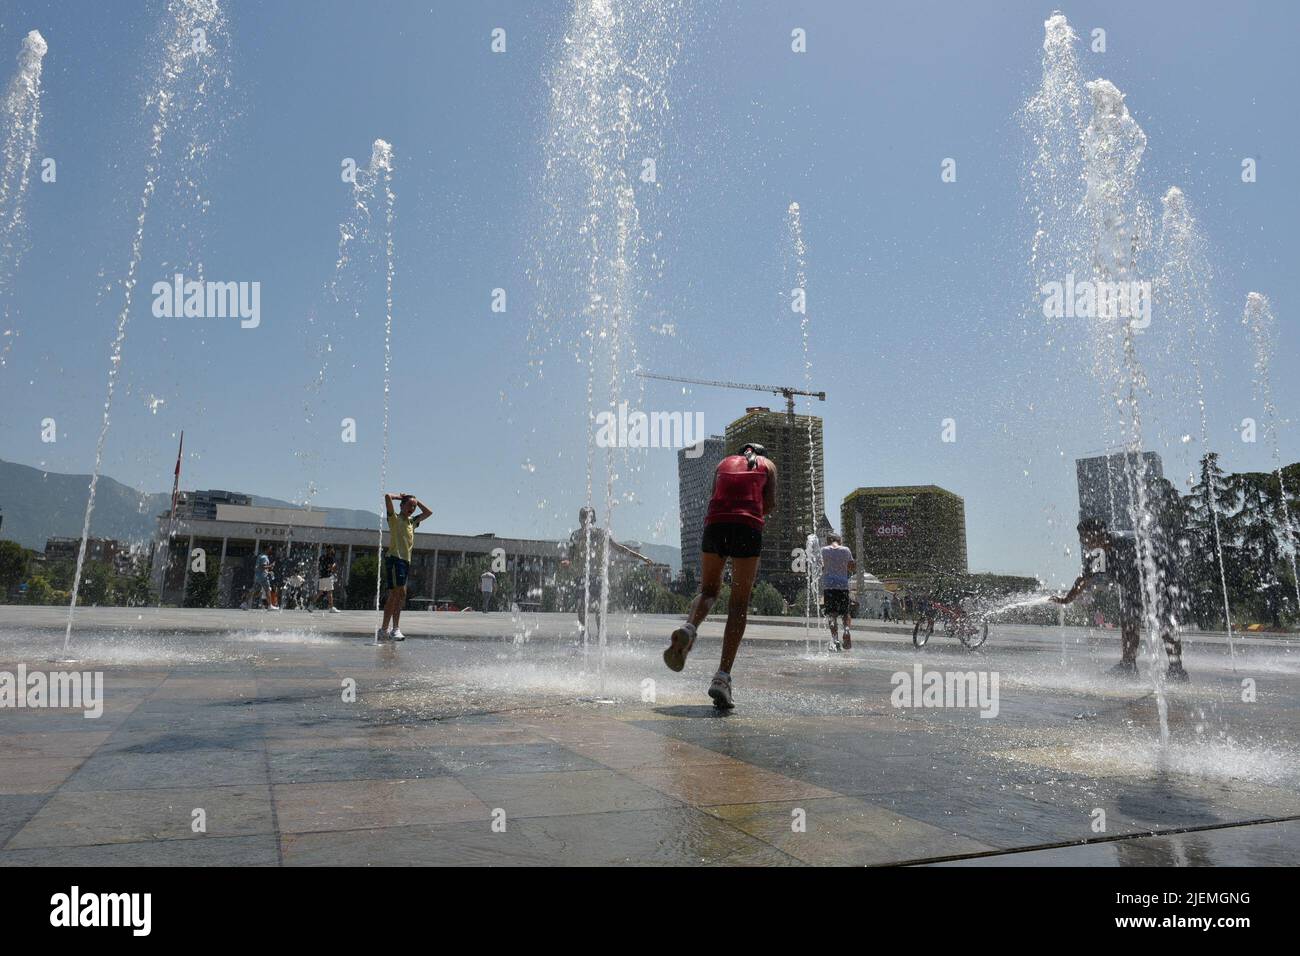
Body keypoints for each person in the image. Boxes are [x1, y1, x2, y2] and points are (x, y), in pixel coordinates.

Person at [664, 443, 777, 710]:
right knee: (738, 602)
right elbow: (769, 504)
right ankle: (722, 678)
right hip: (747, 526)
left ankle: (689, 628)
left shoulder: (722, 463)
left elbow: (713, 494)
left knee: (709, 590)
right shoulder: (768, 465)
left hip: (715, 524)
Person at [1051, 517, 1189, 682]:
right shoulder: (1098, 554)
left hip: (1159, 582)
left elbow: (1158, 562)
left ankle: (1176, 668)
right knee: (1128, 620)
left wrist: (1158, 589)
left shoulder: (1127, 542)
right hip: (1133, 587)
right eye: (1081, 537)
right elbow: (1084, 579)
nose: (1082, 541)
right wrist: (1067, 599)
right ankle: (1128, 665)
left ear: (1098, 534)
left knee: (1164, 623)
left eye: (1085, 536)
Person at [379, 492, 432, 641]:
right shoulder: (394, 518)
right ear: (401, 506)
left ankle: (386, 629)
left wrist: (416, 500)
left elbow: (429, 512)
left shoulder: (413, 522)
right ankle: (392, 629)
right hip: (395, 559)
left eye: (414, 507)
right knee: (398, 593)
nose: (412, 508)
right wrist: (400, 497)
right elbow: (387, 496)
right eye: (409, 505)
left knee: (398, 594)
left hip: (405, 561)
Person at [821, 532, 857, 649]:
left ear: (828, 541)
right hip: (843, 586)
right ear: (839, 540)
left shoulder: (824, 550)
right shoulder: (846, 550)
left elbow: (820, 567)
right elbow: (852, 566)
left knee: (832, 615)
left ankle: (835, 639)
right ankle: (846, 630)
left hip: (829, 586)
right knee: (846, 613)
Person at [315, 546, 340, 613]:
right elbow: (331, 568)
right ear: (331, 550)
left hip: (322, 577)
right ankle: (331, 608)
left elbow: (319, 567)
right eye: (332, 549)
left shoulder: (322, 557)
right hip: (328, 577)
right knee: (330, 592)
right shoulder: (331, 558)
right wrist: (333, 568)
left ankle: (311, 605)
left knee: (320, 592)